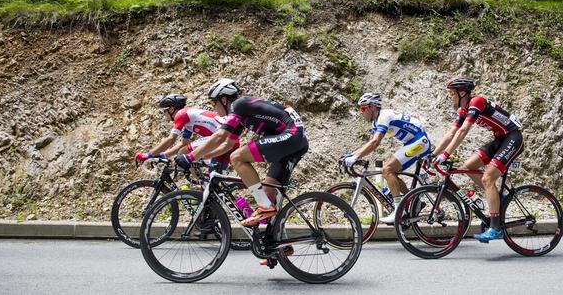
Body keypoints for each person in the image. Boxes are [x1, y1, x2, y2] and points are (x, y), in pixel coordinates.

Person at [173, 79, 308, 228]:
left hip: (291, 135)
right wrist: (202, 156)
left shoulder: (238, 105)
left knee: (237, 157)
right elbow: (227, 144)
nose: (214, 107)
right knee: (269, 192)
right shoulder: (241, 114)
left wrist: (190, 156)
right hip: (296, 140)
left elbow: (220, 136)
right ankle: (278, 241)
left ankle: (264, 206)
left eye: (214, 103)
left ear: (224, 99)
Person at [432, 76, 524, 242]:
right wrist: (433, 154)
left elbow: (463, 131)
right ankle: (498, 198)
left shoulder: (477, 102)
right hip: (500, 139)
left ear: (462, 93)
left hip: (513, 137)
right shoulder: (463, 109)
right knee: (468, 166)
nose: (450, 97)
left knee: (488, 178)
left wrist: (446, 155)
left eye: (452, 94)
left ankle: (496, 228)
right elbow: (451, 133)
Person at [340, 93, 433, 224]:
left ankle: (399, 210)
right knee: (391, 172)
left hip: (419, 141)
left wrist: (354, 157)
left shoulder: (384, 115)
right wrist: (351, 155)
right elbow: (370, 143)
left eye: (362, 108)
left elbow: (375, 142)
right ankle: (413, 201)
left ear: (372, 107)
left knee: (387, 170)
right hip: (413, 142)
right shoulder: (376, 122)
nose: (361, 112)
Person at [134, 94, 237, 169]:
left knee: (184, 153)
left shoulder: (181, 114)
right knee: (215, 184)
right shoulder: (188, 119)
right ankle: (204, 187)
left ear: (171, 109)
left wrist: (147, 155)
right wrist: (162, 155)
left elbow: (171, 140)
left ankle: (198, 182)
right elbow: (182, 144)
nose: (164, 114)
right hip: (230, 139)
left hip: (222, 138)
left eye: (164, 111)